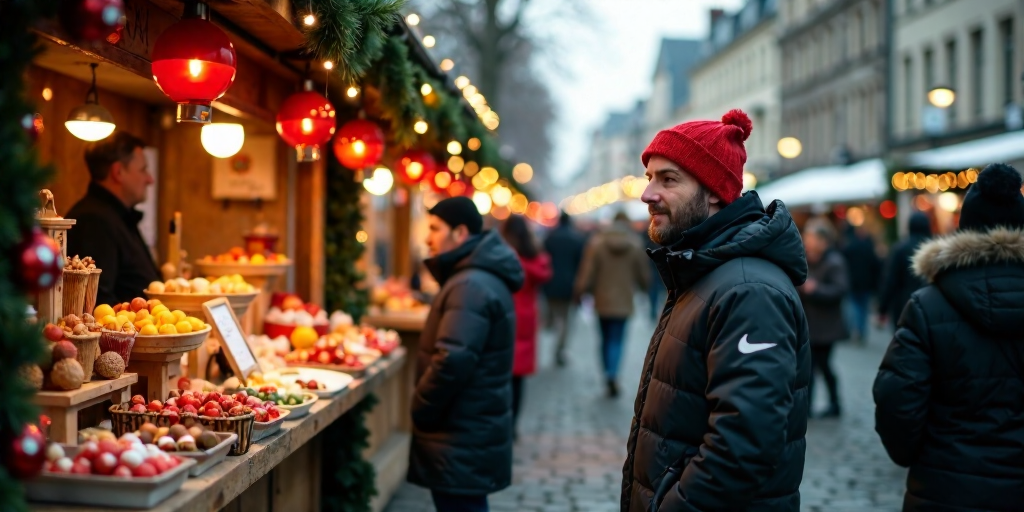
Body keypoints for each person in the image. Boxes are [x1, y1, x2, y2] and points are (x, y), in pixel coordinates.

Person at [622, 110, 810, 512]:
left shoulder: (747, 290)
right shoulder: (702, 270)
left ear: (713, 190)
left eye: (668, 179)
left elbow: (745, 444)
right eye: (649, 177)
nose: (647, 194)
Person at [873, 163, 1024, 512]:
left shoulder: (928, 306)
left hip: (946, 487)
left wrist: (916, 454)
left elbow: (898, 399)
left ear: (964, 226)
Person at [407, 196, 524, 512]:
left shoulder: (470, 284)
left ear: (459, 233)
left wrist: (421, 405)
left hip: (460, 430)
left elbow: (452, 360)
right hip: (470, 426)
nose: (428, 237)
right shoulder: (474, 277)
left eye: (435, 228)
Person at [66, 131, 160, 305]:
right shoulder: (93, 220)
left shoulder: (117, 215)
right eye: (143, 170)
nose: (150, 179)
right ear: (118, 172)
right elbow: (97, 302)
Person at [574, 211, 649, 398]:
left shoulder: (597, 243)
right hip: (624, 300)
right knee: (617, 339)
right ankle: (613, 373)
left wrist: (580, 291)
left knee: (604, 338)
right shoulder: (635, 244)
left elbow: (587, 272)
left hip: (602, 300)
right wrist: (645, 287)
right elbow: (644, 274)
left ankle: (607, 372)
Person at [499, 214, 551, 438]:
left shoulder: (504, 256)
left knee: (500, 372)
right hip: (527, 317)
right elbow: (544, 275)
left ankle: (502, 422)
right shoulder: (534, 256)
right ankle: (513, 425)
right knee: (517, 377)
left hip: (504, 314)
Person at [798, 218, 850, 418]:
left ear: (823, 240)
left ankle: (831, 404)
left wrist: (816, 289)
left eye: (811, 238)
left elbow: (840, 290)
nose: (806, 242)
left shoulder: (834, 261)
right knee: (811, 367)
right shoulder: (807, 259)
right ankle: (811, 406)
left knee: (822, 367)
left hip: (827, 327)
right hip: (811, 325)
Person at [541, 211, 586, 366]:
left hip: (550, 283)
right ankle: (560, 349)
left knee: (554, 316)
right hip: (569, 286)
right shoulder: (576, 239)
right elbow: (581, 265)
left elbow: (543, 259)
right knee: (566, 320)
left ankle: (552, 336)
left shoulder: (550, 238)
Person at [877, 212, 932, 331]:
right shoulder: (934, 248)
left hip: (904, 304)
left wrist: (883, 308)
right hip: (930, 304)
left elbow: (890, 280)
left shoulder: (900, 249)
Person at [840, 224, 881, 342]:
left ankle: (856, 329)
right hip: (866, 282)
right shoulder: (868, 247)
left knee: (854, 306)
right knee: (863, 307)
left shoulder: (848, 248)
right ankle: (861, 330)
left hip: (853, 282)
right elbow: (876, 265)